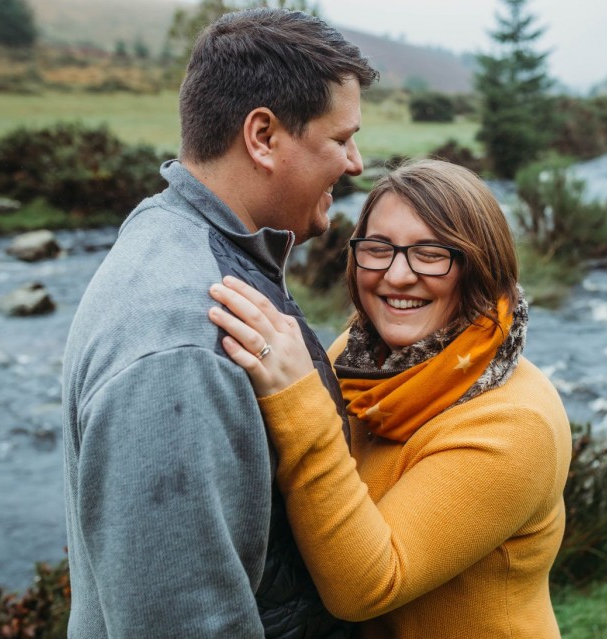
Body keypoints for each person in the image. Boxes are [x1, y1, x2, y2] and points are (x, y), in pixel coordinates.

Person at [61, 8, 378, 638]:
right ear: (262, 136)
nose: (356, 163)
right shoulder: (184, 343)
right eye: (341, 139)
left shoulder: (182, 237)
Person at [208, 159, 572, 638]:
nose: (397, 276)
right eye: (378, 249)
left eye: (430, 253)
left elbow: (365, 588)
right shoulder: (357, 358)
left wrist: (299, 400)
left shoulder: (514, 425)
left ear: (481, 267)